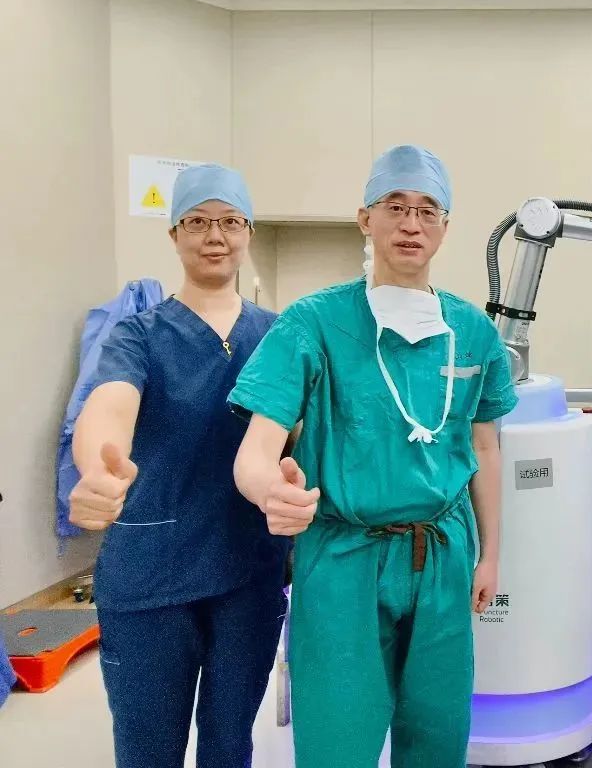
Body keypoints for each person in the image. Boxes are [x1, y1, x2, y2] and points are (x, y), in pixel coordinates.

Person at [228, 144, 518, 768]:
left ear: (445, 226)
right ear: (365, 218)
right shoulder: (314, 323)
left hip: (443, 553)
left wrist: (492, 555)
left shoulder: (473, 332)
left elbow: (485, 447)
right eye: (395, 207)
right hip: (344, 559)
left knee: (438, 731)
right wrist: (268, 490)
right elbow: (257, 448)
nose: (411, 224)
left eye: (427, 210)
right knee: (338, 735)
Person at [69, 163, 286, 768]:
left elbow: (306, 428)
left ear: (247, 231)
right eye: (196, 221)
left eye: (230, 221)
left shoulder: (279, 335)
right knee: (148, 749)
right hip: (151, 576)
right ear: (173, 234)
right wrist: (98, 469)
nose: (214, 236)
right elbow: (109, 405)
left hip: (248, 571)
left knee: (229, 744)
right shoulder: (137, 336)